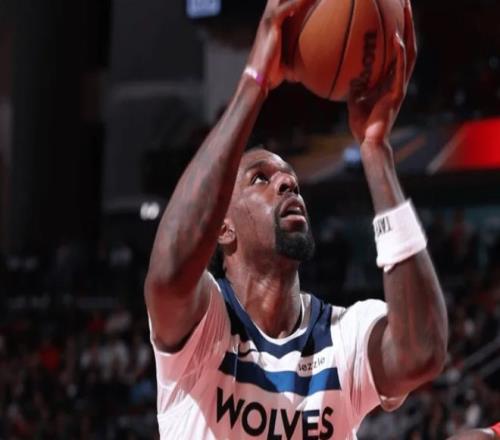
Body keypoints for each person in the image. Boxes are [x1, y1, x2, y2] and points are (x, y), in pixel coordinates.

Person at [144, 0, 448, 438]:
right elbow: (167, 274)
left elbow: (422, 353)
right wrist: (254, 81)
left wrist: (376, 152)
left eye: (290, 178)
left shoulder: (343, 335)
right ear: (222, 227)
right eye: (260, 179)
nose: (287, 183)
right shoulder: (206, 325)